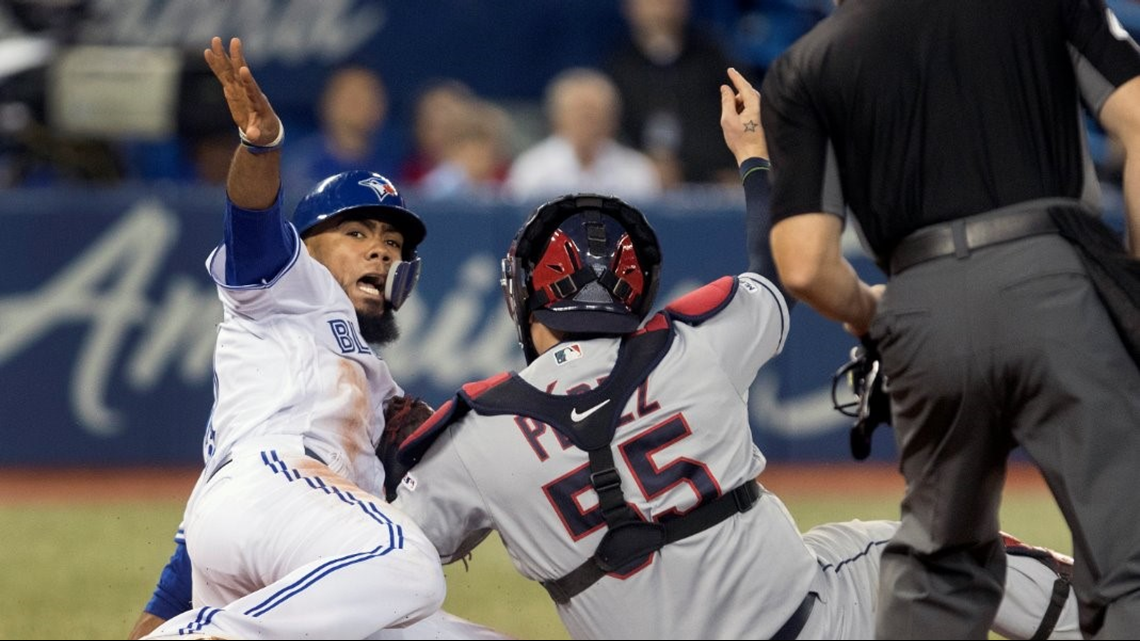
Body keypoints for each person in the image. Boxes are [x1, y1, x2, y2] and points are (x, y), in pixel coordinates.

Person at [382, 69, 1081, 640]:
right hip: (814, 625)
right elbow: (777, 267)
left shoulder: (473, 433)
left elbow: (377, 556)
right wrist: (753, 156)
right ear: (636, 292)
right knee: (948, 548)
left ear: (522, 298)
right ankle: (1106, 621)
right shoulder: (693, 343)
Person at [757, 1, 1140, 637]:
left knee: (939, 570)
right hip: (1055, 276)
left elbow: (802, 266)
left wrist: (874, 310)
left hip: (920, 301)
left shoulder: (805, 64)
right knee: (1130, 559)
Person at [137, 37, 445, 640]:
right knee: (408, 564)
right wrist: (260, 146)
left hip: (269, 529)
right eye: (356, 232)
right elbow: (252, 220)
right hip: (275, 482)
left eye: (393, 243)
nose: (381, 248)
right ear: (304, 246)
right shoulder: (290, 283)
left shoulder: (372, 380)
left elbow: (189, 568)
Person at [605, 0, 739, 187]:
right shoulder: (618, 68)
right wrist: (643, 167)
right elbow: (612, 135)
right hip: (642, 186)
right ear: (630, 8)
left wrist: (738, 167)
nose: (660, 10)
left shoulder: (714, 60)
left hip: (714, 184)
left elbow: (744, 115)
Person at [504, 68, 660, 202]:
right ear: (557, 119)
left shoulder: (637, 172)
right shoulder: (532, 169)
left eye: (593, 115)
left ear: (613, 120)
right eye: (578, 114)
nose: (586, 124)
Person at [284, 64, 402, 189]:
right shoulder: (300, 168)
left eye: (370, 97)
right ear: (326, 104)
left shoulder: (396, 167)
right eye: (352, 98)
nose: (363, 106)